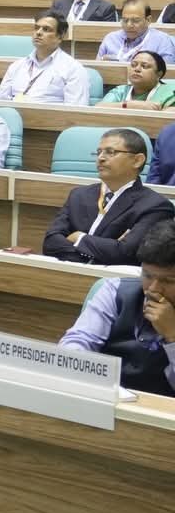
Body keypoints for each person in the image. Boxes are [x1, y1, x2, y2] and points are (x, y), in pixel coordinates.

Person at [58, 220, 175, 396]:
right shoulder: (114, 291)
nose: (153, 288)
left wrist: (172, 337)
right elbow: (79, 341)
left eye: (168, 281)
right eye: (147, 275)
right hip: (106, 397)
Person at [43, 127, 175, 265]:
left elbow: (125, 253)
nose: (100, 158)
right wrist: (100, 253)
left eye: (110, 152)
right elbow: (50, 242)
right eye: (98, 152)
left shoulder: (155, 206)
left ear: (137, 160)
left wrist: (79, 237)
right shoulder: (78, 195)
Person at [0, 14, 90, 105]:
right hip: (14, 115)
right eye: (36, 28)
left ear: (60, 36)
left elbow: (75, 110)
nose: (38, 32)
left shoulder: (73, 69)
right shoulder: (17, 66)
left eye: (46, 29)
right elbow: (0, 103)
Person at [97, 0, 175, 62]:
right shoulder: (111, 38)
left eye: (135, 21)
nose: (129, 25)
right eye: (125, 20)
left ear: (148, 20)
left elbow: (166, 73)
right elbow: (97, 69)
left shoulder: (162, 41)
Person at [103, 51, 175, 109]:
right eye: (133, 65)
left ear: (159, 74)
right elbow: (100, 107)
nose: (137, 69)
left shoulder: (170, 92)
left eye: (144, 66)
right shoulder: (121, 90)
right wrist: (129, 105)